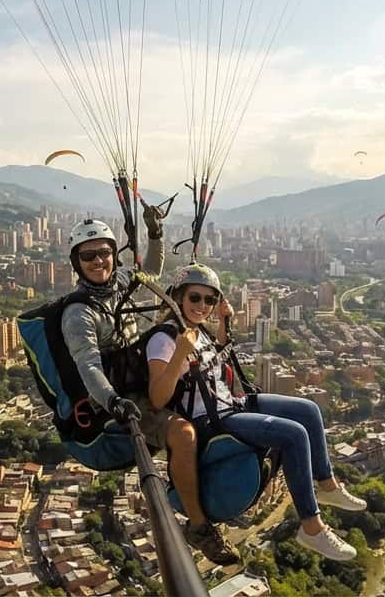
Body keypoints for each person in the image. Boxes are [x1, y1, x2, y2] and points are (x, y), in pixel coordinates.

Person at [147, 263, 367, 561]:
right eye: (195, 298)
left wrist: (223, 326)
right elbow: (158, 398)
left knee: (308, 410)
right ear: (178, 297)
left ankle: (327, 484)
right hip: (211, 421)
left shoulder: (197, 332)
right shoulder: (165, 339)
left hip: (231, 403)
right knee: (293, 434)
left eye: (210, 300)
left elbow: (213, 368)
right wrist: (179, 355)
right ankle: (312, 528)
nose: (203, 305)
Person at [60, 213, 237, 565]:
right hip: (125, 395)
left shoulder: (120, 282)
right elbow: (89, 366)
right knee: (183, 433)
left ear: (114, 253)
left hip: (144, 374)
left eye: (104, 252)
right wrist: (113, 401)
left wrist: (155, 234)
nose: (98, 261)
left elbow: (150, 271)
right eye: (88, 255)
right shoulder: (79, 314)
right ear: (77, 263)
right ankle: (199, 526)